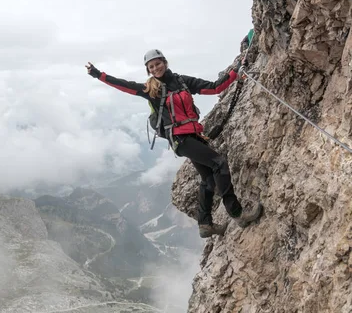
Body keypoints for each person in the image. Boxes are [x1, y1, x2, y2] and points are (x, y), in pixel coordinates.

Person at [85, 49, 263, 238]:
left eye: (157, 63)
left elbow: (214, 88)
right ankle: (237, 213)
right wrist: (99, 75)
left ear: (165, 62)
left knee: (209, 179)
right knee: (219, 163)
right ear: (148, 70)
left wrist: (235, 72)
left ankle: (205, 224)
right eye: (151, 67)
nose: (155, 68)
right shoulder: (151, 90)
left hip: (193, 136)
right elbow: (124, 85)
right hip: (180, 139)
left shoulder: (182, 81)